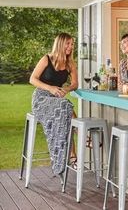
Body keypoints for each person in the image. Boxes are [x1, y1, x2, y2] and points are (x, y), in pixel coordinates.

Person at [29, 32, 78, 177]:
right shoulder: (46, 59)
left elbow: (75, 84)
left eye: (72, 44)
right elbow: (32, 79)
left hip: (57, 101)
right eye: (68, 43)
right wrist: (50, 88)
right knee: (65, 106)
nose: (70, 46)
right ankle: (79, 138)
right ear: (60, 44)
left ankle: (71, 155)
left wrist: (66, 89)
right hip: (41, 99)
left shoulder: (70, 63)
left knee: (64, 107)